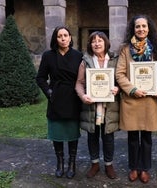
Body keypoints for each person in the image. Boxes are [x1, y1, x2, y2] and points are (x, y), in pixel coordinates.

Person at [115, 15, 157, 183]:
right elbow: (119, 74)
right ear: (133, 29)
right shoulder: (126, 50)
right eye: (137, 26)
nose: (141, 29)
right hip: (132, 100)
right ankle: (134, 167)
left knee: (147, 138)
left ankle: (145, 168)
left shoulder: (156, 49)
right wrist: (132, 89)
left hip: (149, 100)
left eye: (144, 26)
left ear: (149, 29)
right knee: (133, 138)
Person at [36, 26, 83, 179]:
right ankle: (60, 163)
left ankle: (72, 163)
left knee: (72, 132)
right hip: (55, 97)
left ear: (70, 37)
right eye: (59, 36)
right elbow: (40, 78)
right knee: (57, 131)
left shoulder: (78, 55)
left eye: (66, 35)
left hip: (73, 97)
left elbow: (83, 78)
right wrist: (48, 92)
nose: (63, 38)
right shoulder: (48, 55)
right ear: (55, 39)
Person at [75, 31, 120, 179]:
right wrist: (83, 96)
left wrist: (117, 88)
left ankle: (109, 165)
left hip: (109, 107)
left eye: (100, 40)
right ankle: (94, 164)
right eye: (93, 41)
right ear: (90, 45)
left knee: (108, 137)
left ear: (106, 43)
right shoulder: (85, 61)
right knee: (92, 136)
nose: (97, 43)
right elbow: (79, 83)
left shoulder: (115, 60)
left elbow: (121, 80)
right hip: (91, 106)